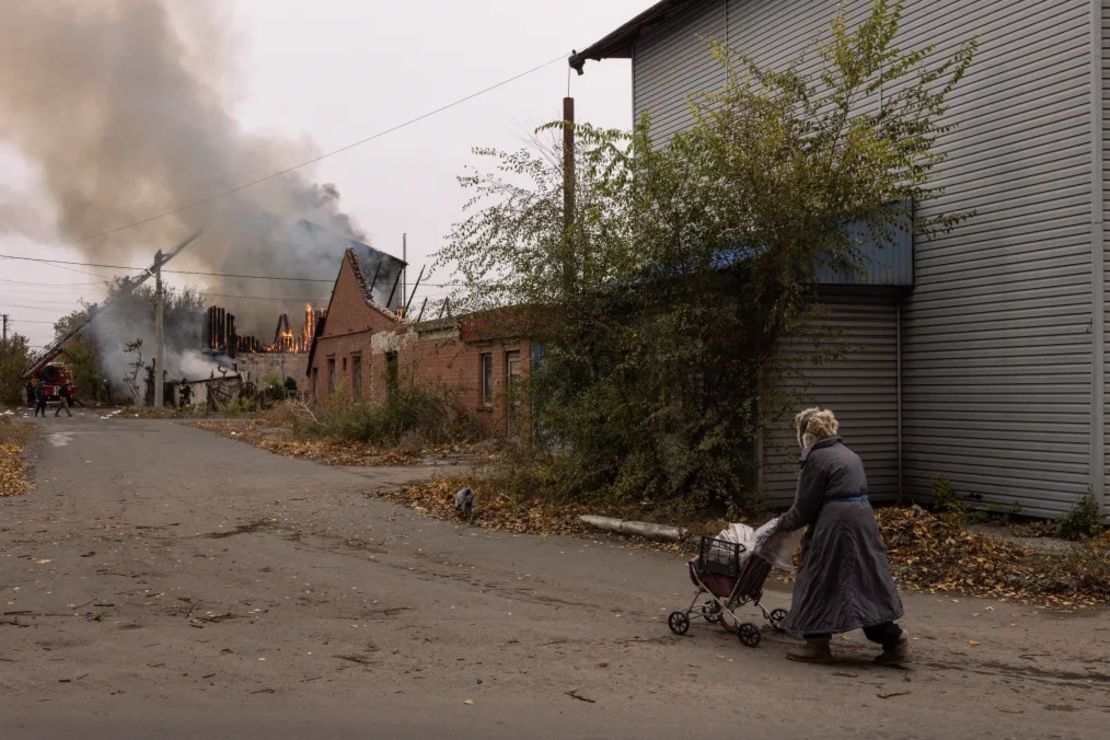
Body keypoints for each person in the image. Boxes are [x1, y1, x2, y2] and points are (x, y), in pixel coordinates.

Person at [775, 407, 909, 666]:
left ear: (806, 435)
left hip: (835, 527)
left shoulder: (816, 459)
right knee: (864, 582)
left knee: (817, 577)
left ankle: (816, 644)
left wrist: (779, 525)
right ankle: (894, 640)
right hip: (862, 523)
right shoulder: (849, 454)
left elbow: (804, 508)